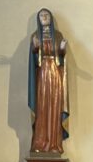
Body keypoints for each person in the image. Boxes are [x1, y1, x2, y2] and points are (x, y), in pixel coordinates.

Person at [29, 8, 68, 154]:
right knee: (42, 108)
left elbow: (61, 55)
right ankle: (40, 143)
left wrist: (63, 48)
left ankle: (54, 144)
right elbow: (33, 56)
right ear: (38, 19)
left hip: (55, 74)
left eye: (46, 15)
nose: (44, 17)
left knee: (55, 106)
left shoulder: (57, 35)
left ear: (50, 18)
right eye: (41, 16)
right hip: (42, 74)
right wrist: (35, 46)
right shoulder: (35, 35)